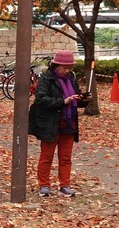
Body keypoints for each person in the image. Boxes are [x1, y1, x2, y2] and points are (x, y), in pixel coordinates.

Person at [28, 49, 88, 198]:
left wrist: (83, 99)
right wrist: (63, 101)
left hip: (69, 123)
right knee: (46, 157)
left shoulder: (71, 78)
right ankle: (43, 185)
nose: (67, 70)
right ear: (56, 65)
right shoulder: (46, 79)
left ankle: (65, 185)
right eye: (64, 67)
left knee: (66, 158)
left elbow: (76, 98)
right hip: (51, 123)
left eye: (69, 67)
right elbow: (41, 100)